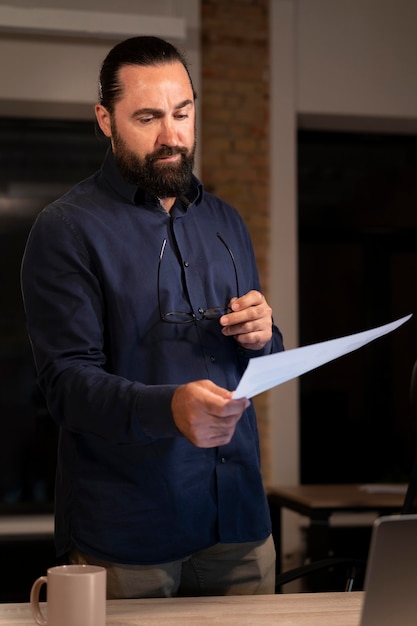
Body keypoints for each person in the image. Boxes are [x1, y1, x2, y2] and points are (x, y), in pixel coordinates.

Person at [21, 36, 284, 599]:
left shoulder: (226, 220)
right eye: (148, 117)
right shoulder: (66, 229)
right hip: (129, 532)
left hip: (239, 522)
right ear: (105, 119)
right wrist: (168, 407)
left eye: (182, 113)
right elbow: (67, 387)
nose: (172, 136)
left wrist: (265, 336)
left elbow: (259, 354)